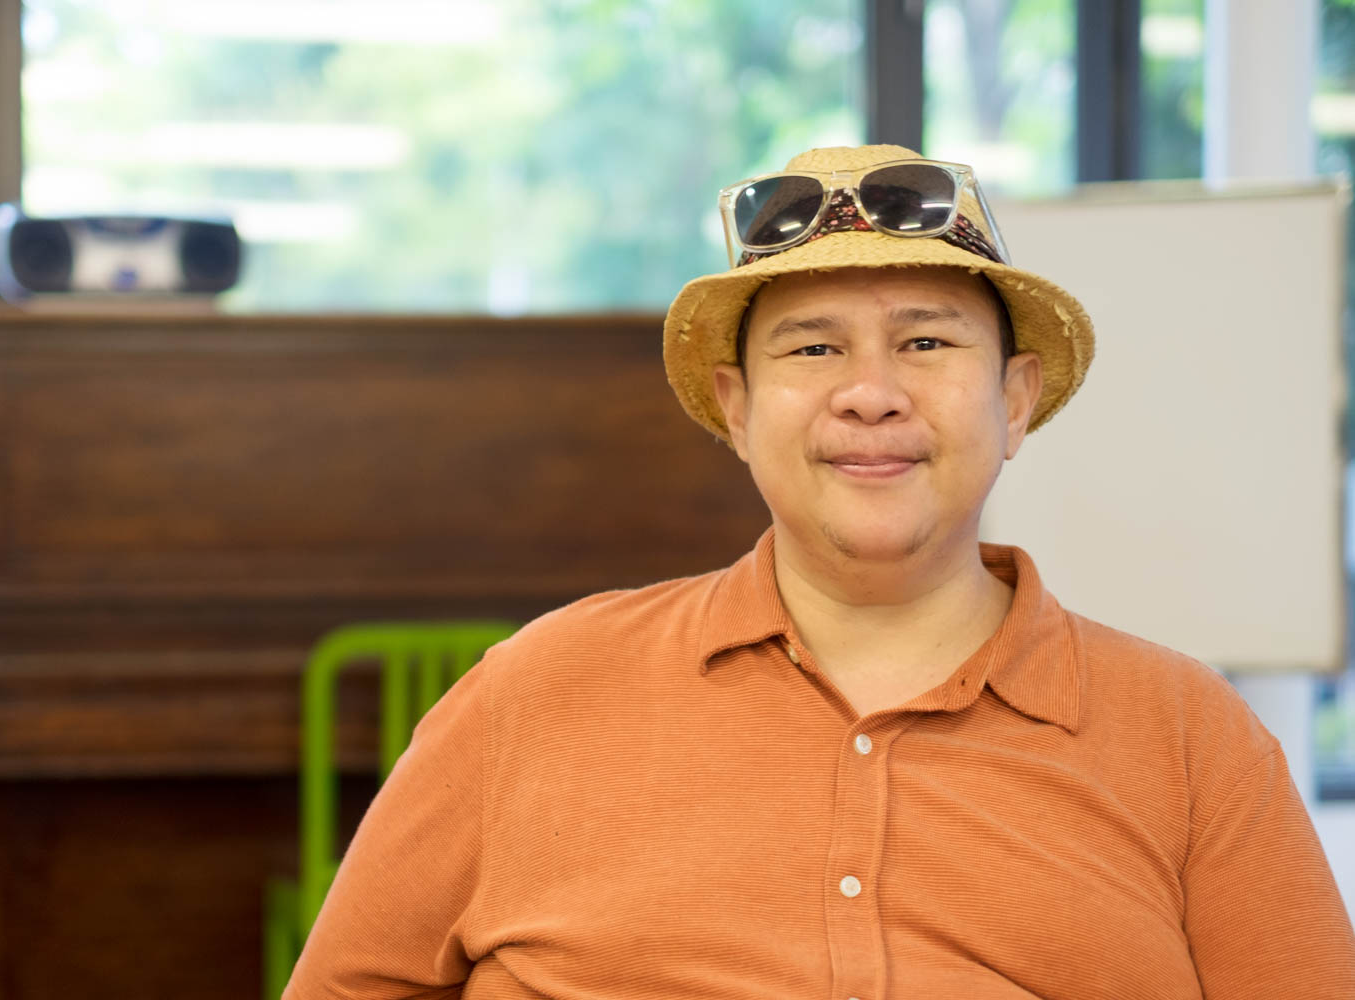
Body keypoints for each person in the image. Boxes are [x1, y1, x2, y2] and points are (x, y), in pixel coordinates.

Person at [284, 145, 1355, 999]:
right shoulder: (532, 691)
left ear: (1016, 401)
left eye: (927, 344)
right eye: (811, 349)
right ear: (739, 409)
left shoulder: (1191, 740)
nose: (871, 394)